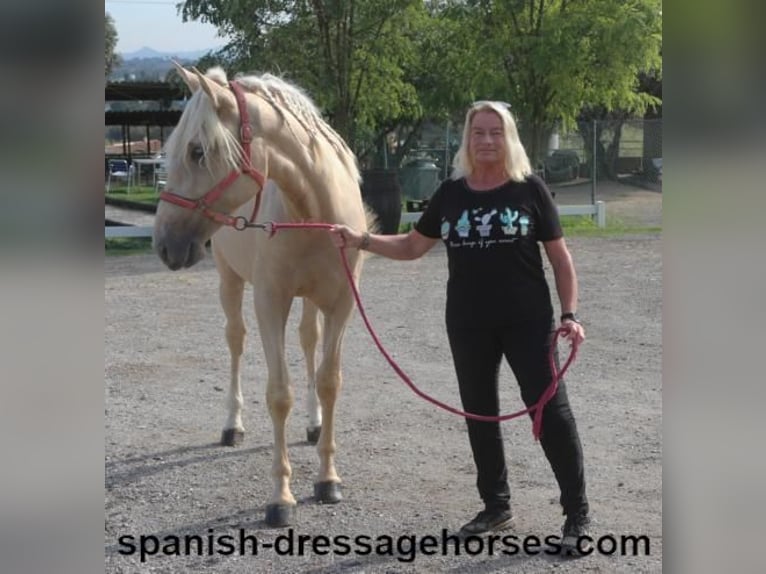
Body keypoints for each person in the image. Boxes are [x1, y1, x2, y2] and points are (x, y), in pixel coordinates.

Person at [329, 101, 590, 554]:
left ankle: (577, 513)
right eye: (478, 133)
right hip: (468, 323)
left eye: (495, 132)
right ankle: (496, 505)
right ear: (467, 139)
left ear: (508, 137)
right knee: (480, 413)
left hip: (529, 322)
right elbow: (413, 246)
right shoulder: (451, 193)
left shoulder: (529, 189)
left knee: (549, 411)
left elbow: (561, 260)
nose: (486, 140)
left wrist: (570, 315)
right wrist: (361, 240)